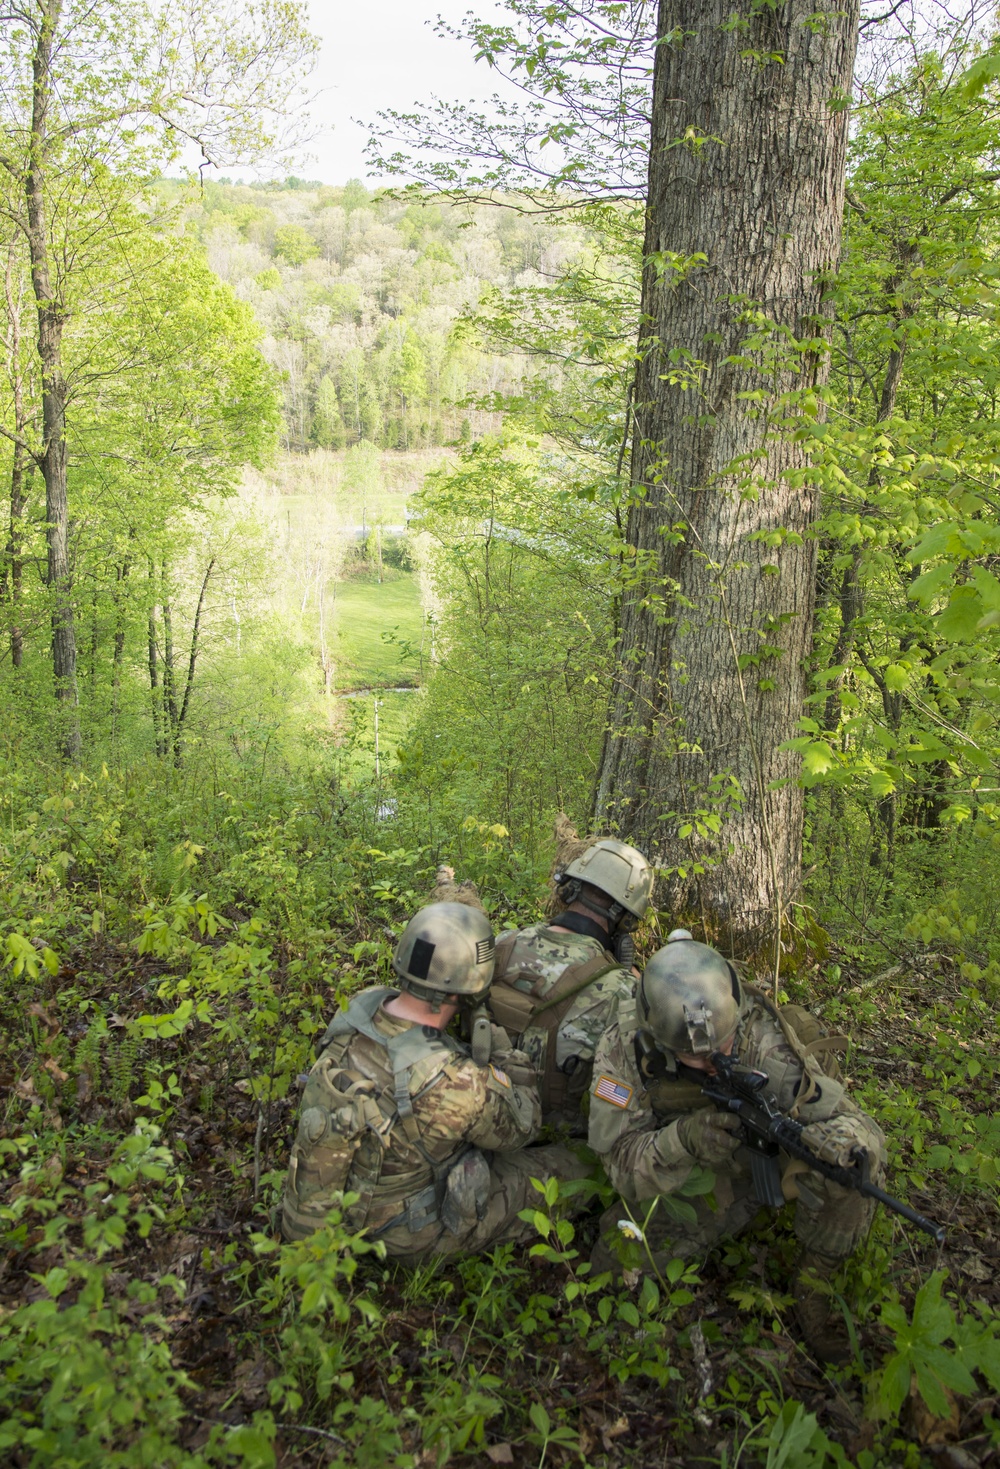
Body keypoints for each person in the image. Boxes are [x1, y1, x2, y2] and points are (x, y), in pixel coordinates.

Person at [588, 931, 888, 1363]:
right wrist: (685, 1140)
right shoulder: (623, 1049)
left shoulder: (758, 1032)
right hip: (701, 1173)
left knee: (857, 1168)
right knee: (616, 1258)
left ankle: (815, 1284)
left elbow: (855, 1122)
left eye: (724, 1049)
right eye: (698, 1060)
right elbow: (619, 1164)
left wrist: (843, 1142)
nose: (717, 1063)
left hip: (766, 1154)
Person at [281, 901, 587, 1261]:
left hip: (349, 1195)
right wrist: (505, 1057)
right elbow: (523, 1126)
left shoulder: (359, 1008)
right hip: (405, 1235)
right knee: (573, 1167)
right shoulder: (452, 1081)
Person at [487, 836, 655, 1130]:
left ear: (570, 887)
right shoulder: (621, 989)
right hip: (552, 1144)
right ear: (625, 917)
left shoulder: (504, 944)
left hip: (482, 1111)